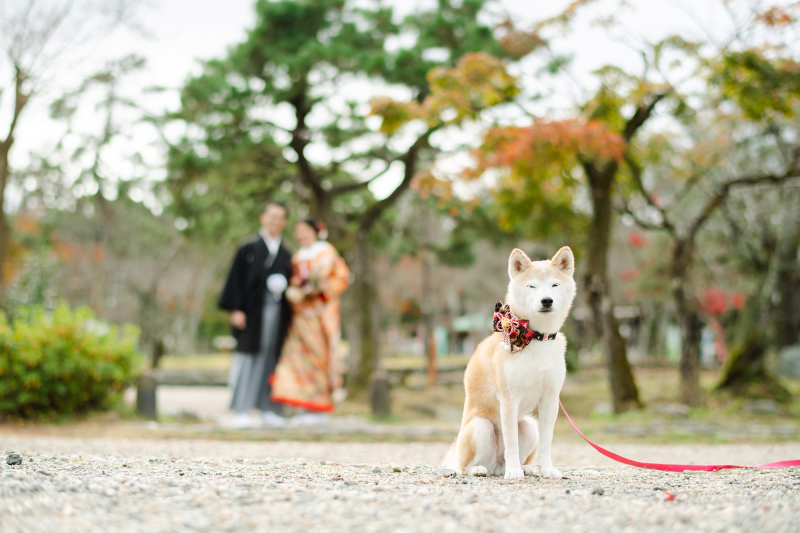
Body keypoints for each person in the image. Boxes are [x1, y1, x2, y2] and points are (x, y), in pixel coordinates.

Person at [218, 201, 293, 428]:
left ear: (284, 222)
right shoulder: (248, 248)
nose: (275, 221)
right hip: (251, 314)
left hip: (278, 313)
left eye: (280, 217)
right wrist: (236, 309)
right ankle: (241, 409)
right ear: (263, 217)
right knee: (248, 358)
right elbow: (235, 280)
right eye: (271, 216)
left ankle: (268, 409)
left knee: (272, 357)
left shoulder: (286, 252)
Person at [270, 218, 350, 424]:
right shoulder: (297, 256)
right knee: (297, 359)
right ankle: (303, 404)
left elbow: (341, 277)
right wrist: (295, 291)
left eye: (304, 230)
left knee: (319, 358)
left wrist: (316, 289)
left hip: (319, 314)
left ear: (315, 231)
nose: (300, 235)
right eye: (297, 231)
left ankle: (320, 405)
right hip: (300, 316)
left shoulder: (326, 251)